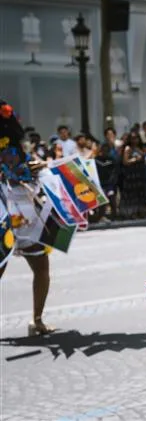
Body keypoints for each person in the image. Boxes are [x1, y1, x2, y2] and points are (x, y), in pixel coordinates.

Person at [0, 100, 54, 335]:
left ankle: (38, 320)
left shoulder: (19, 151)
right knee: (40, 268)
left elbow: (26, 171)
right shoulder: (14, 151)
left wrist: (38, 166)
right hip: (10, 214)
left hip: (24, 213)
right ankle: (37, 320)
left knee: (41, 267)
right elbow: (17, 172)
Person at [119, 132, 146, 219]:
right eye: (133, 138)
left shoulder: (140, 148)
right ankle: (131, 213)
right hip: (131, 175)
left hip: (139, 174)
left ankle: (140, 211)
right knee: (132, 195)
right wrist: (135, 159)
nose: (135, 140)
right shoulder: (128, 148)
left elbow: (144, 157)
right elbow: (125, 161)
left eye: (136, 138)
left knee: (140, 194)